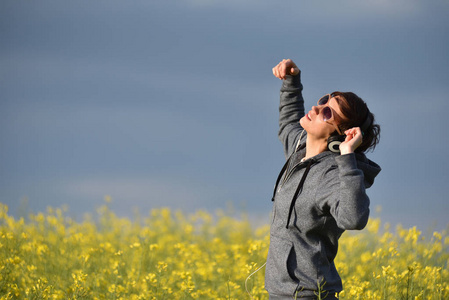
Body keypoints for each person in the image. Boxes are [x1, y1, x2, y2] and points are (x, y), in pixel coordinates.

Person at [265, 59, 381, 299]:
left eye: (327, 112)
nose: (316, 109)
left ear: (339, 137)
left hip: (308, 293)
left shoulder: (331, 175)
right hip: (280, 291)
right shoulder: (300, 150)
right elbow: (288, 121)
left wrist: (347, 155)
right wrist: (291, 81)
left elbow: (354, 218)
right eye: (323, 101)